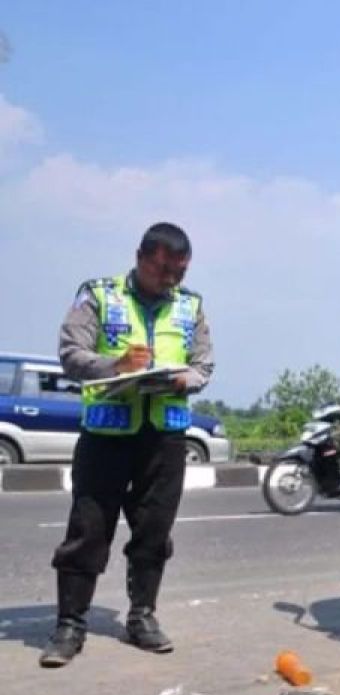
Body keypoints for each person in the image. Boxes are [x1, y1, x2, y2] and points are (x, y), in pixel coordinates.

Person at [40, 222, 214, 668]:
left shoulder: (190, 306)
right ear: (140, 258)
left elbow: (204, 365)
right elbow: (70, 353)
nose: (169, 280)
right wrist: (115, 365)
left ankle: (143, 617)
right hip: (107, 436)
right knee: (88, 530)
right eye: (161, 270)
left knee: (154, 531)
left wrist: (184, 378)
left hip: (164, 437)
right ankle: (70, 625)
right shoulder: (99, 295)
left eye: (178, 272)